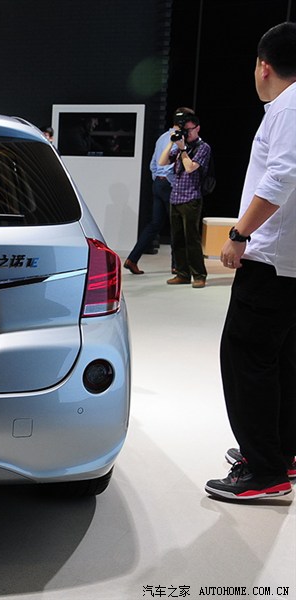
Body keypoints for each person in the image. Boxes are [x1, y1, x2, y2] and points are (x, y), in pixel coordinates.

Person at [204, 22, 296, 501]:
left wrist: (239, 234)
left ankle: (263, 471)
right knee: (281, 360)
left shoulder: (288, 106)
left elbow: (281, 177)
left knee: (246, 359)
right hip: (289, 262)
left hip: (270, 259)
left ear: (264, 66)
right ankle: (281, 453)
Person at [124, 107, 194, 275]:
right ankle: (176, 265)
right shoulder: (180, 140)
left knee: (155, 224)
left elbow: (153, 164)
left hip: (158, 184)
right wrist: (171, 179)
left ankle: (132, 259)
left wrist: (158, 178)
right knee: (176, 225)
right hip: (170, 185)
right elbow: (174, 164)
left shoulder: (162, 137)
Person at [158, 113, 211, 288]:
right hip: (175, 198)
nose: (186, 134)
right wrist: (172, 141)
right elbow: (162, 162)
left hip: (191, 198)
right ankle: (182, 274)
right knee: (177, 239)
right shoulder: (182, 146)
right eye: (184, 130)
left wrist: (182, 150)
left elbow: (190, 168)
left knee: (192, 239)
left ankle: (199, 275)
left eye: (189, 130)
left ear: (197, 128)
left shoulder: (203, 147)